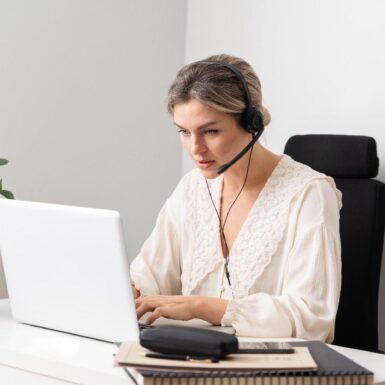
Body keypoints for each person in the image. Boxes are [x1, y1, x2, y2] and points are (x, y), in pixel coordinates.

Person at [131, 54, 342, 342]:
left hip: (268, 371)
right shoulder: (192, 187)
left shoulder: (308, 193)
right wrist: (131, 291)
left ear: (252, 122)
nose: (195, 149)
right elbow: (150, 275)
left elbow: (313, 319)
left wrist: (203, 307)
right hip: (192, 357)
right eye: (184, 132)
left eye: (211, 131)